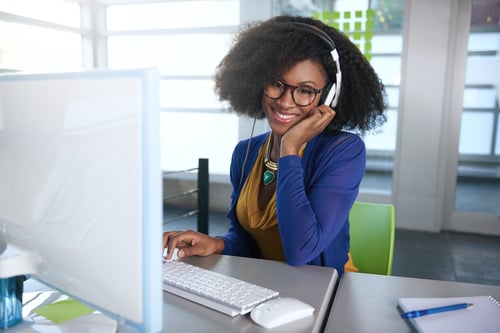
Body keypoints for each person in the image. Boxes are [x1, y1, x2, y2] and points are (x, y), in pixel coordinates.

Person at [163, 15, 386, 276]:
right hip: (266, 284)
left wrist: (289, 149)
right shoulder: (245, 153)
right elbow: (248, 240)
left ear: (329, 97)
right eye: (277, 83)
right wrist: (218, 243)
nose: (285, 102)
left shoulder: (343, 151)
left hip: (326, 291)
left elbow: (301, 250)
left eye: (305, 90)